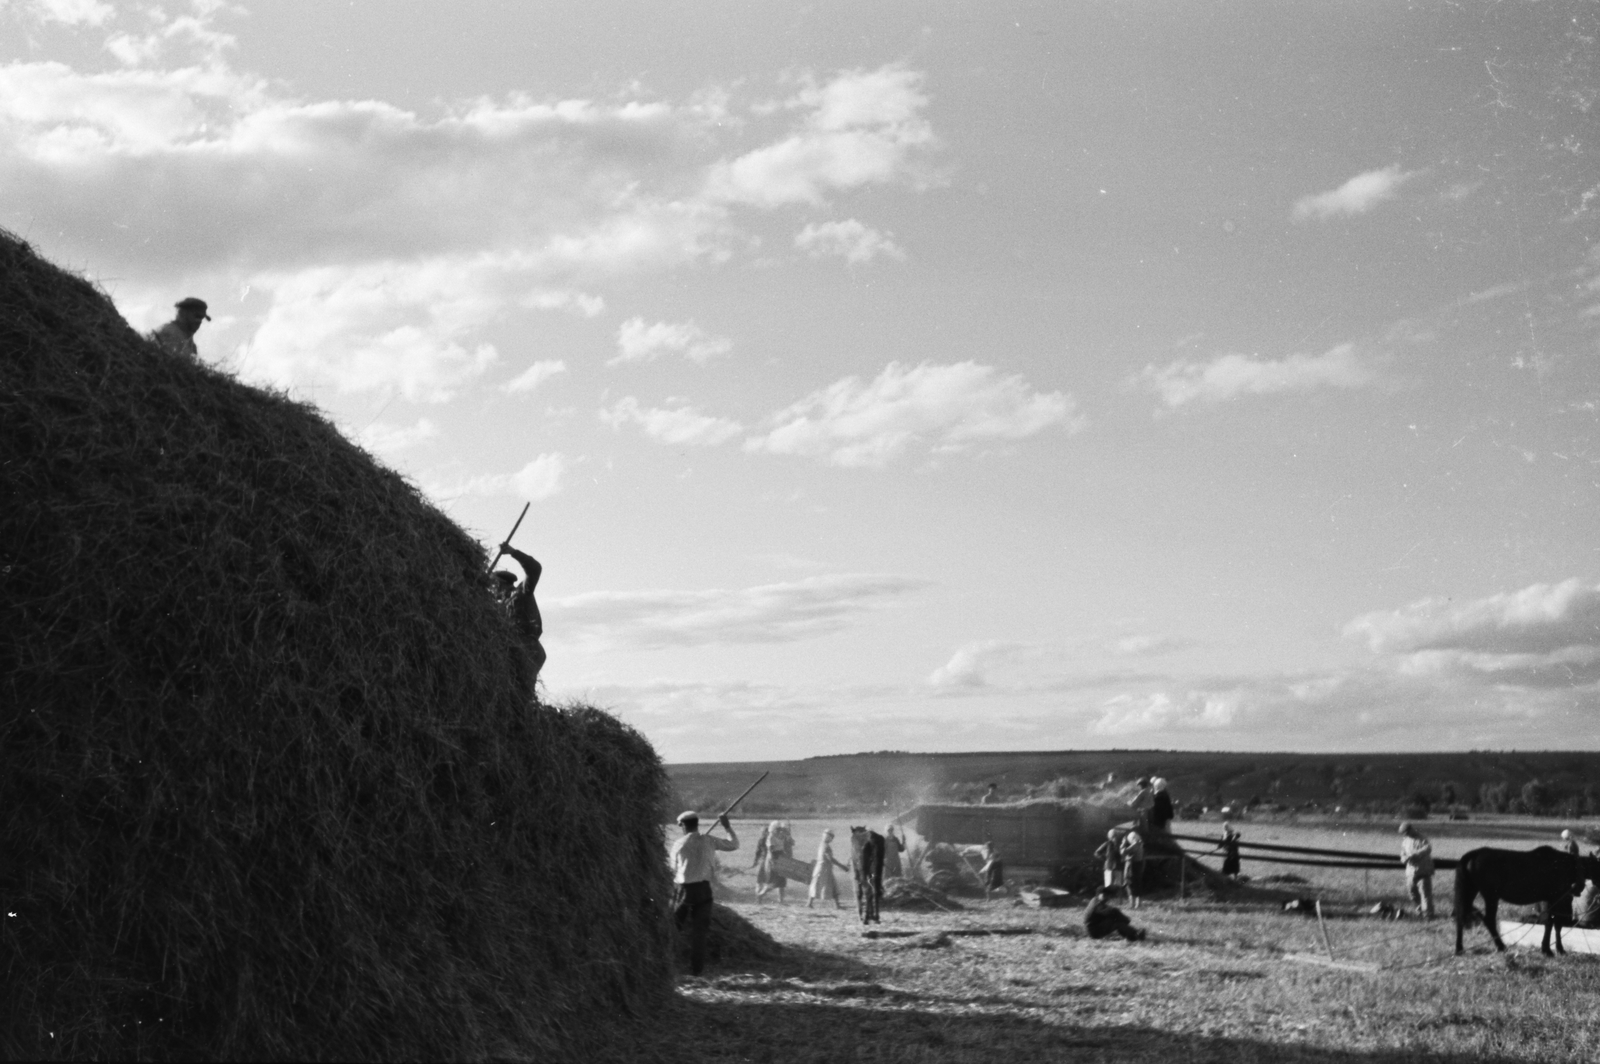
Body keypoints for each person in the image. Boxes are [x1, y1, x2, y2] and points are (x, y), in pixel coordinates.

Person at [669, 810, 739, 976]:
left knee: (672, 928)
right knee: (699, 933)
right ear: (696, 824)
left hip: (683, 890)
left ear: (683, 826)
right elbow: (734, 845)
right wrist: (727, 827)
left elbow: (674, 869)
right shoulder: (709, 840)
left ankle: (668, 964)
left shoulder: (678, 844)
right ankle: (696, 970)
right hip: (703, 890)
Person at [493, 544, 545, 688]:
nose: (491, 589)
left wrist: (513, 552)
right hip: (516, 647)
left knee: (522, 688)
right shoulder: (500, 606)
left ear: (500, 584)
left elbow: (535, 569)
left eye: (493, 584)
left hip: (528, 647)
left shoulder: (521, 593)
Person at [1398, 821, 1436, 920]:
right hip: (1410, 872)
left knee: (1425, 894)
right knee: (1412, 894)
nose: (1406, 835)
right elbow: (1402, 853)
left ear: (1411, 829)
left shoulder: (1422, 838)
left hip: (1423, 871)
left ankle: (1428, 916)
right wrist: (1404, 858)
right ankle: (1419, 912)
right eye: (1404, 834)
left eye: (1406, 832)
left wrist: (1414, 854)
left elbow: (1427, 848)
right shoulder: (1405, 840)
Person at [807, 829, 849, 909]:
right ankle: (810, 903)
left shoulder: (822, 844)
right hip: (823, 869)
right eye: (831, 837)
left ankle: (810, 903)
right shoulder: (825, 846)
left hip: (822, 868)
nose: (832, 839)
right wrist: (842, 866)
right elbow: (830, 858)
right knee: (821, 885)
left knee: (818, 885)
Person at [1120, 827, 1145, 908]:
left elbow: (1123, 852)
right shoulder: (1140, 844)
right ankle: (1138, 904)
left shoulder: (1135, 845)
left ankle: (1132, 904)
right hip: (1138, 865)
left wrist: (1123, 843)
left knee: (1129, 884)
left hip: (1132, 866)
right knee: (1138, 883)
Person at [751, 824, 771, 901]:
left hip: (763, 861)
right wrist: (755, 861)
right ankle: (759, 897)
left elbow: (757, 852)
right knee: (762, 881)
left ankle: (759, 897)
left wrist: (755, 862)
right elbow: (758, 852)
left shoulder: (762, 840)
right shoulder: (764, 840)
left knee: (760, 881)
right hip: (766, 862)